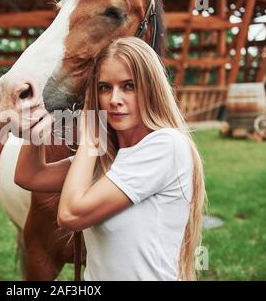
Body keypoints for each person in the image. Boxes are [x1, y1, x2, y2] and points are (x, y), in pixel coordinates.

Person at [14, 37, 206, 281]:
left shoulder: (167, 146)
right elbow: (29, 175)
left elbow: (71, 215)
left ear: (151, 88)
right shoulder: (106, 159)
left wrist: (88, 142)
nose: (114, 99)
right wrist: (39, 119)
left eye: (129, 86)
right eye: (105, 87)